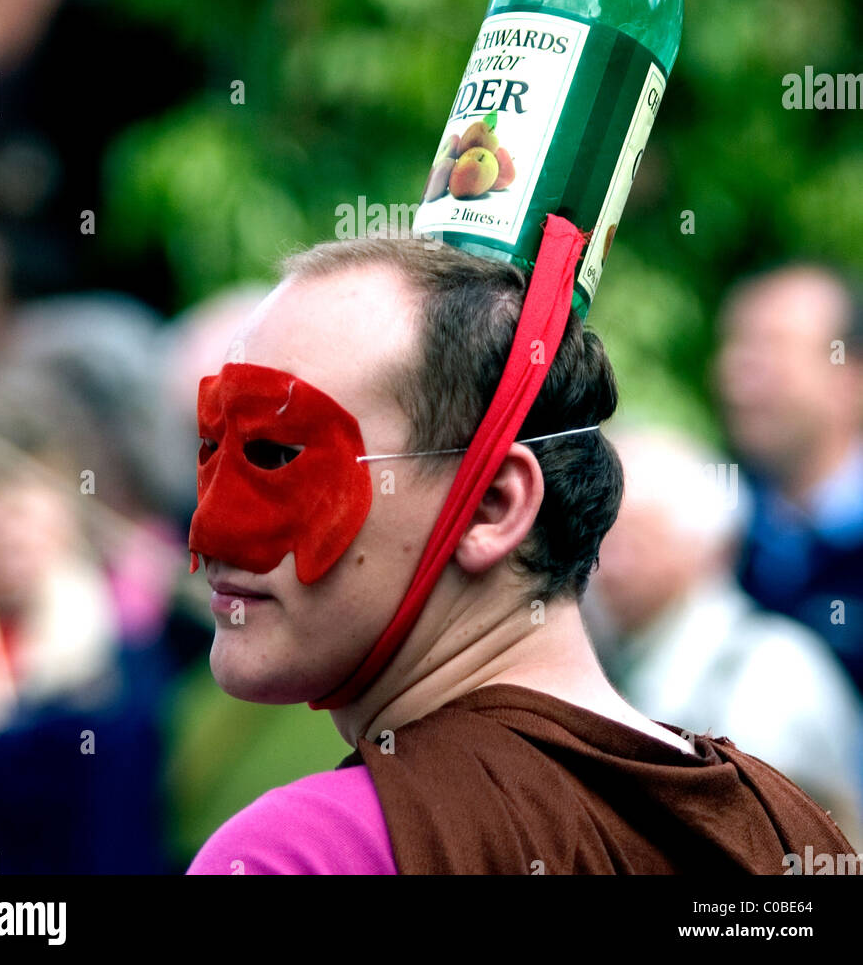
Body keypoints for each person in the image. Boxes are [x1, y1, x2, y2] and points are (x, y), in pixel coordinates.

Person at [185, 229, 858, 875]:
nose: (209, 531)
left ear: (492, 505)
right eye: (209, 449)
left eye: (275, 456)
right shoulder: (786, 829)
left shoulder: (302, 855)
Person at [586, 425, 863, 847]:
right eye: (602, 534)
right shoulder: (627, 655)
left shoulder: (770, 676)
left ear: (709, 546)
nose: (610, 562)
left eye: (637, 537)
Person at [714, 264, 863, 696]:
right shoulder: (711, 533)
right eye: (734, 346)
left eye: (771, 349)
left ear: (850, 378)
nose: (736, 376)